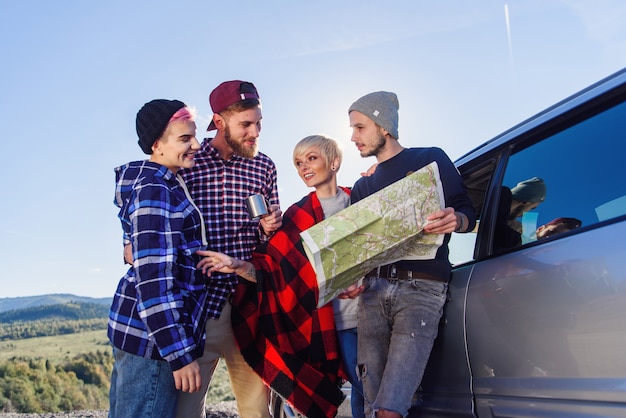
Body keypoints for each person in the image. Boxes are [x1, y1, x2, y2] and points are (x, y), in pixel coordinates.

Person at [197, 135, 355, 418]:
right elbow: (271, 267)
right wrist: (236, 265)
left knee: (371, 396)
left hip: (362, 315)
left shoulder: (360, 198)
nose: (303, 167)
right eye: (297, 162)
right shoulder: (297, 215)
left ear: (335, 162)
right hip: (320, 326)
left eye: (311, 158)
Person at [346, 91, 476, 418]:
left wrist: (456, 219)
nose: (353, 137)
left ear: (384, 126)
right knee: (374, 405)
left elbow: (466, 213)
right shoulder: (362, 186)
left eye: (360, 127)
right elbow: (360, 249)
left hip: (421, 291)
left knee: (390, 409)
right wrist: (348, 279)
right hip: (372, 294)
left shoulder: (430, 159)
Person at [176, 80, 282, 418]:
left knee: (256, 411)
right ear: (219, 122)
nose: (256, 132)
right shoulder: (188, 162)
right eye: (246, 124)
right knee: (186, 411)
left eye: (259, 123)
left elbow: (271, 244)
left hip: (247, 306)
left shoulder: (264, 166)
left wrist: (269, 229)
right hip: (197, 307)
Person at [108, 99, 209, 418]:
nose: (195, 145)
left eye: (193, 136)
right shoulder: (156, 189)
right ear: (156, 144)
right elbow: (154, 283)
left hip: (143, 334)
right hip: (152, 344)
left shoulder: (162, 182)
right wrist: (179, 355)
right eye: (184, 139)